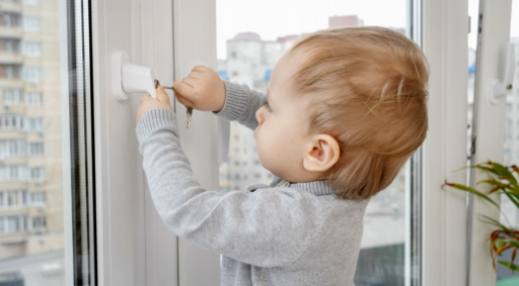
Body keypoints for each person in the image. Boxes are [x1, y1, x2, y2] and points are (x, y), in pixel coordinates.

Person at [135, 26, 428, 286]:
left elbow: (186, 211)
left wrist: (157, 129)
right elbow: (294, 127)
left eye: (271, 108)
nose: (261, 113)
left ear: (318, 151)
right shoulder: (339, 186)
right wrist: (223, 97)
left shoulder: (293, 222)